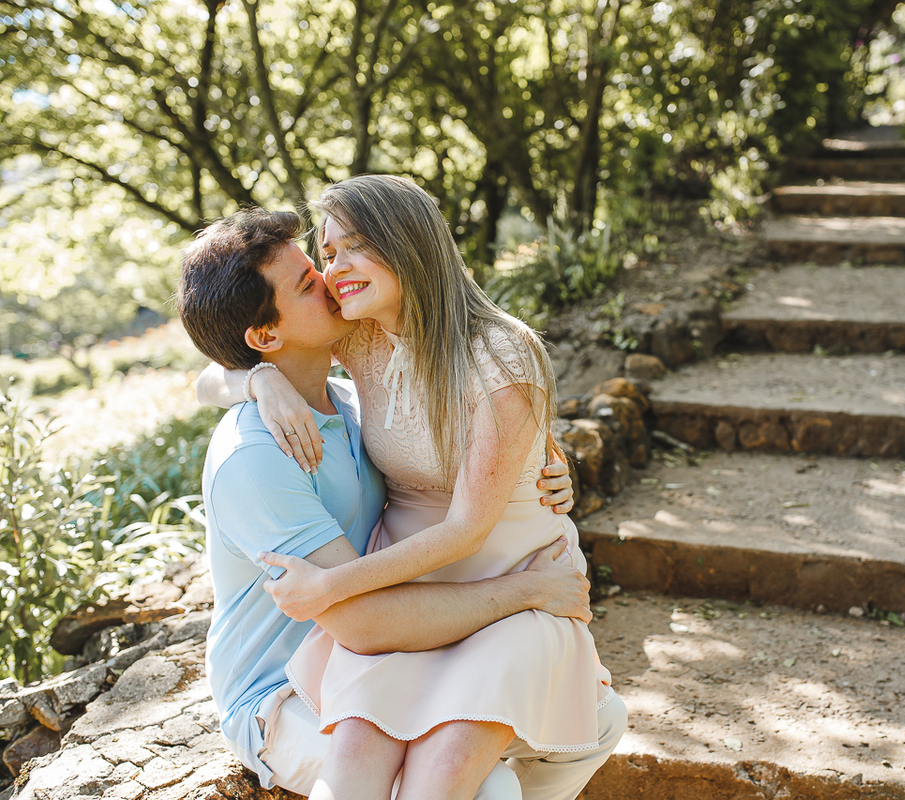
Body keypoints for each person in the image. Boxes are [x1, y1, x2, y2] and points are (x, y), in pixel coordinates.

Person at [206, 175, 624, 800]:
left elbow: (467, 529)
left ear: (406, 244)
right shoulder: (362, 337)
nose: (332, 272)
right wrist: (257, 381)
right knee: (353, 775)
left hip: (508, 585)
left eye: (353, 247)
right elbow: (224, 353)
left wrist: (326, 585)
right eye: (327, 254)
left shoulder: (502, 353)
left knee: (447, 782)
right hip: (413, 595)